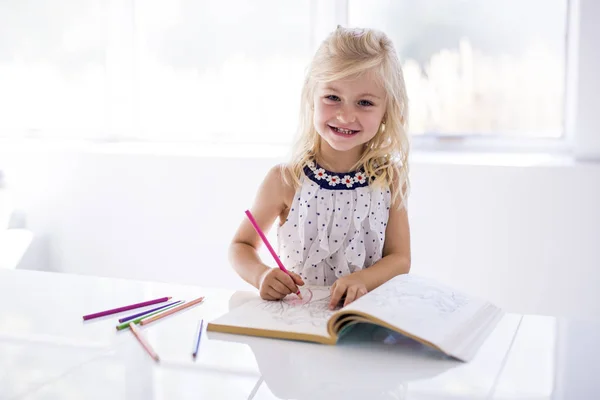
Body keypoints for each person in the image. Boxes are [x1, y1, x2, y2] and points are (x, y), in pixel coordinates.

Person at [229, 25, 411, 310]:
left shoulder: (388, 179)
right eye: (332, 97)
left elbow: (400, 258)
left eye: (364, 102)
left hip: (361, 322)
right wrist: (261, 275)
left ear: (386, 111)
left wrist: (362, 279)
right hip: (294, 321)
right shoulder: (285, 179)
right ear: (311, 98)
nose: (345, 115)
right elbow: (240, 246)